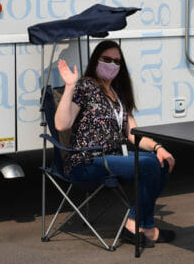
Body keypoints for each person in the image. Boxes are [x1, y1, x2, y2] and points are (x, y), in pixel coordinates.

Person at [55, 39, 175, 247]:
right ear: (96, 61)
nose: (112, 65)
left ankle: (144, 226)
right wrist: (69, 86)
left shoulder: (118, 96)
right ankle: (134, 224)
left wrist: (159, 148)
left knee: (161, 161)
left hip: (114, 157)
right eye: (107, 59)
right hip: (86, 161)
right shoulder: (85, 86)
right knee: (147, 165)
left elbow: (133, 135)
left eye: (117, 61)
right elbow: (61, 124)